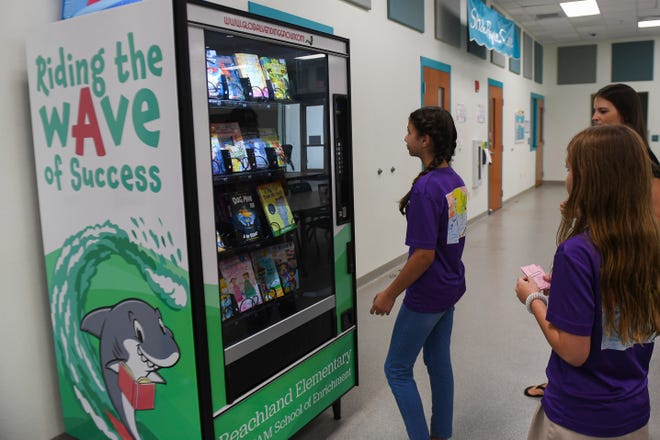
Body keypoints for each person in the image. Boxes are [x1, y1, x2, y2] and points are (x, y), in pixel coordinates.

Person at [515, 124, 659, 439]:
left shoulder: (576, 252)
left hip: (578, 419)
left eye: (569, 168)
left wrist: (533, 299)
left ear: (590, 180)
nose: (565, 175)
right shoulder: (651, 243)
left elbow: (573, 351)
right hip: (633, 414)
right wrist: (568, 291)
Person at [370, 107, 467, 440]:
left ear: (425, 140)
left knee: (396, 369)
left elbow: (424, 255)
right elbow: (449, 241)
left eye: (409, 132)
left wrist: (389, 293)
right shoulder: (455, 182)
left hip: (427, 295)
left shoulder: (426, 190)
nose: (405, 137)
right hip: (450, 287)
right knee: (438, 361)